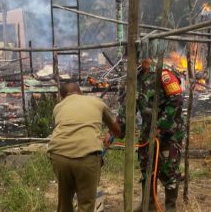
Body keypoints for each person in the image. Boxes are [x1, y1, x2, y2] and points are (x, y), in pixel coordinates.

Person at [116, 58, 185, 212]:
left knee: (169, 170)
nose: (135, 60)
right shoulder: (135, 78)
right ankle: (149, 204)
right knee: (147, 167)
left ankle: (170, 207)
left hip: (169, 132)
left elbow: (177, 100)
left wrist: (161, 126)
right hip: (148, 131)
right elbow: (127, 107)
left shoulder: (164, 74)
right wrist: (115, 131)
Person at [48, 82, 122, 212]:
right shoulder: (97, 102)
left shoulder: (58, 107)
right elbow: (117, 130)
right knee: (86, 203)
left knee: (64, 201)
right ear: (80, 92)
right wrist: (111, 133)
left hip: (58, 155)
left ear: (62, 96)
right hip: (87, 155)